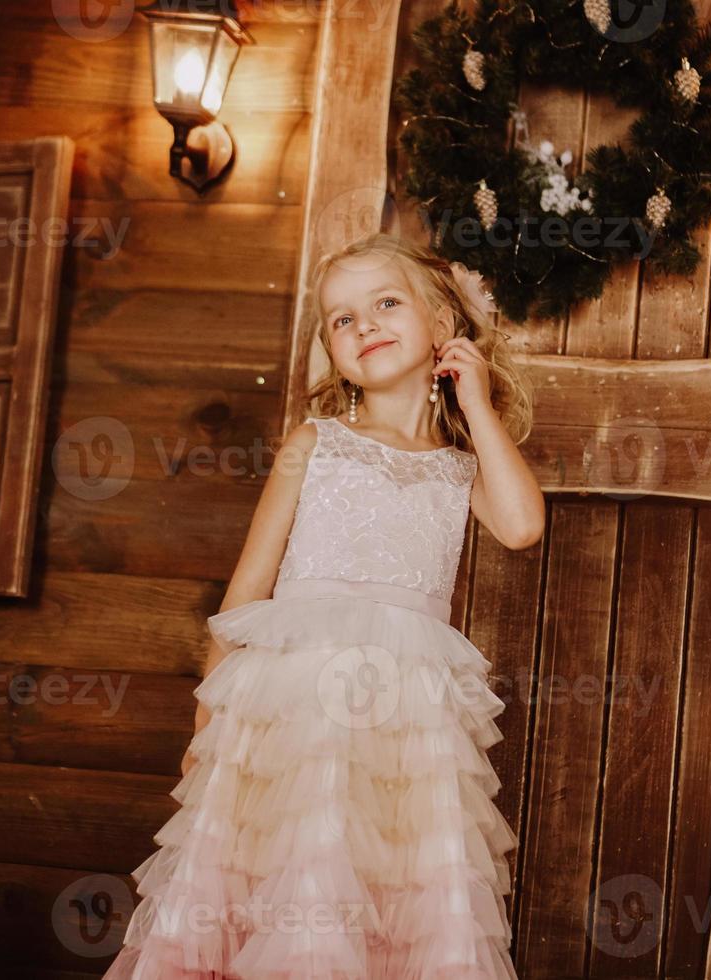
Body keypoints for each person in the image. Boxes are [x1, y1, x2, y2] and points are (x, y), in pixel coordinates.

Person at [103, 231, 544, 979]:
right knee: (281, 889)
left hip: (405, 737)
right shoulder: (316, 444)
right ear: (331, 349)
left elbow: (523, 525)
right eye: (342, 318)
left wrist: (476, 400)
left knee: (390, 900)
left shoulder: (458, 467)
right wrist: (205, 727)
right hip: (291, 726)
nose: (364, 323)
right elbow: (244, 595)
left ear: (441, 327)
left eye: (385, 303)